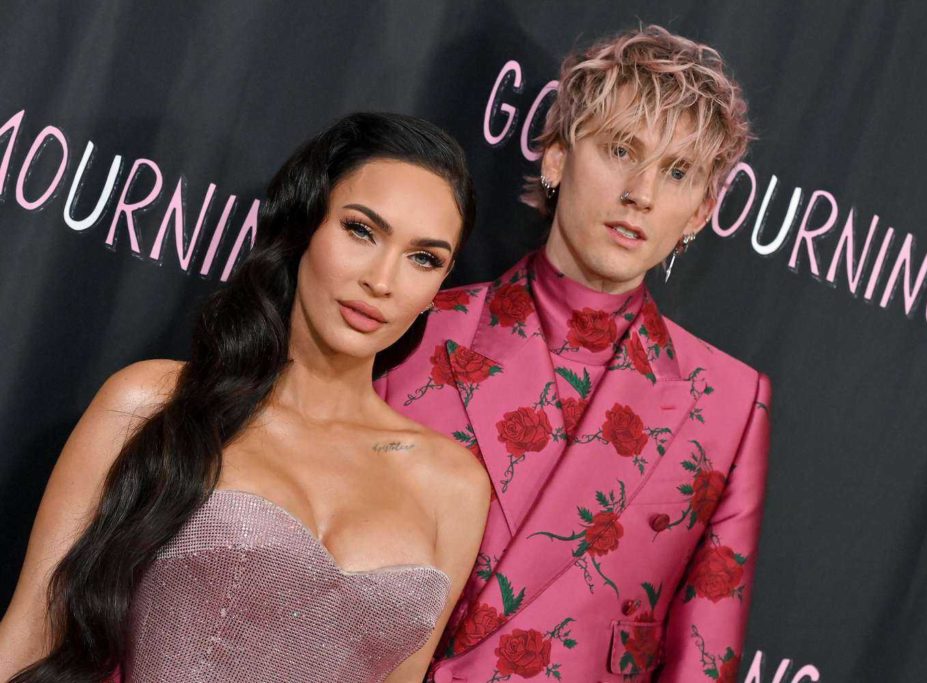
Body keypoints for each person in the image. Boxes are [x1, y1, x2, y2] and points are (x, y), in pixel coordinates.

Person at [0, 112, 490, 682]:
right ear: (304, 227)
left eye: (423, 258)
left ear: (438, 287)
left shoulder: (454, 486)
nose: (382, 281)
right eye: (361, 230)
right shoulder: (153, 403)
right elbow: (28, 636)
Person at [375, 26, 771, 682]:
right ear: (557, 158)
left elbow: (705, 659)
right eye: (621, 150)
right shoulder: (419, 331)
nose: (642, 192)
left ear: (701, 211)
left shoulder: (730, 404)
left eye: (676, 172)